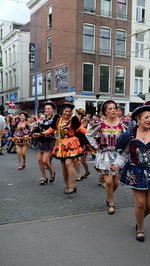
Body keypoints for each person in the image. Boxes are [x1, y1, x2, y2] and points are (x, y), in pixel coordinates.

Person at [111, 104, 150, 242]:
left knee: (149, 205)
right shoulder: (130, 135)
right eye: (146, 117)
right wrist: (116, 165)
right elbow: (123, 155)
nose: (149, 119)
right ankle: (140, 229)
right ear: (138, 119)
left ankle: (139, 218)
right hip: (135, 172)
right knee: (140, 203)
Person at [33, 102, 87, 194]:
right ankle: (67, 185)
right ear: (62, 111)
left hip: (71, 144)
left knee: (68, 163)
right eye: (66, 111)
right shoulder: (58, 120)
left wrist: (93, 134)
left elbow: (82, 129)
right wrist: (41, 133)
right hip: (61, 144)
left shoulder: (73, 119)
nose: (67, 113)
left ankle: (73, 185)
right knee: (63, 166)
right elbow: (51, 129)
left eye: (69, 112)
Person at [86, 100, 125, 215]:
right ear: (105, 111)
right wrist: (96, 146)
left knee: (116, 183)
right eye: (110, 109)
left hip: (117, 156)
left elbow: (127, 138)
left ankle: (109, 196)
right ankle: (111, 203)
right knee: (108, 182)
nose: (113, 110)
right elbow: (89, 134)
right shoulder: (101, 124)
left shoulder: (122, 124)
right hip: (104, 155)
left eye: (115, 108)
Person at [32, 101, 56, 185]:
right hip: (41, 141)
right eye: (46, 109)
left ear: (52, 110)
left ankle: (52, 173)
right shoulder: (42, 119)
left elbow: (52, 131)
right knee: (39, 160)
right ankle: (44, 177)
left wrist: (40, 134)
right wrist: (35, 132)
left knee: (45, 161)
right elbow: (39, 128)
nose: (47, 110)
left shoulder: (55, 119)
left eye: (49, 109)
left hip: (49, 141)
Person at [74, 108, 90, 181]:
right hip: (75, 143)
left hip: (83, 143)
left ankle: (87, 171)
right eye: (76, 113)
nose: (75, 115)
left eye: (77, 114)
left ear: (80, 115)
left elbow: (85, 134)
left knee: (83, 161)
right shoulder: (74, 121)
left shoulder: (84, 122)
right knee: (75, 160)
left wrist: (83, 145)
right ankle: (79, 174)